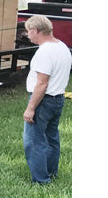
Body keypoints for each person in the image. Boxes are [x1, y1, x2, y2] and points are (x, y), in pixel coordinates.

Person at [21, 14, 71, 184]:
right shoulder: (62, 47)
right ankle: (51, 172)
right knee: (51, 138)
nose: (27, 35)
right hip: (58, 99)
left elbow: (42, 83)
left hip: (44, 101)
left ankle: (41, 180)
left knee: (34, 141)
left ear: (36, 30)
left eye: (28, 31)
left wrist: (31, 108)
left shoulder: (44, 52)